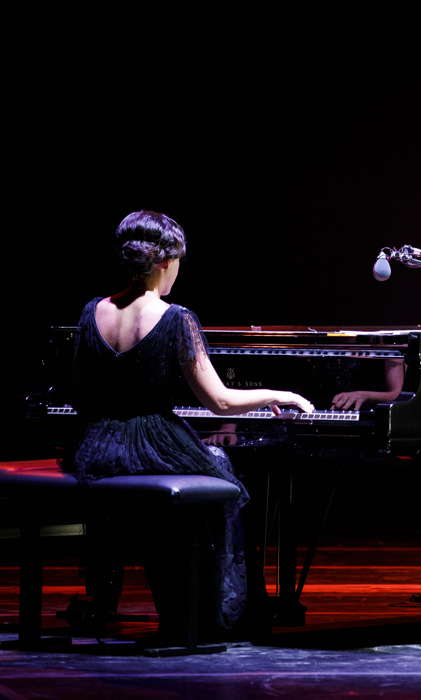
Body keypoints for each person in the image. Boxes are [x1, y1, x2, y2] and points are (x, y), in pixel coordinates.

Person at [66, 210, 314, 636]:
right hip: (151, 440)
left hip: (96, 445)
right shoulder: (176, 317)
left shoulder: (92, 312)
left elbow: (79, 393)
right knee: (223, 477)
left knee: (203, 473)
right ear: (165, 261)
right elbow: (219, 401)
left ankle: (160, 605)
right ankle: (210, 615)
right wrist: (280, 393)